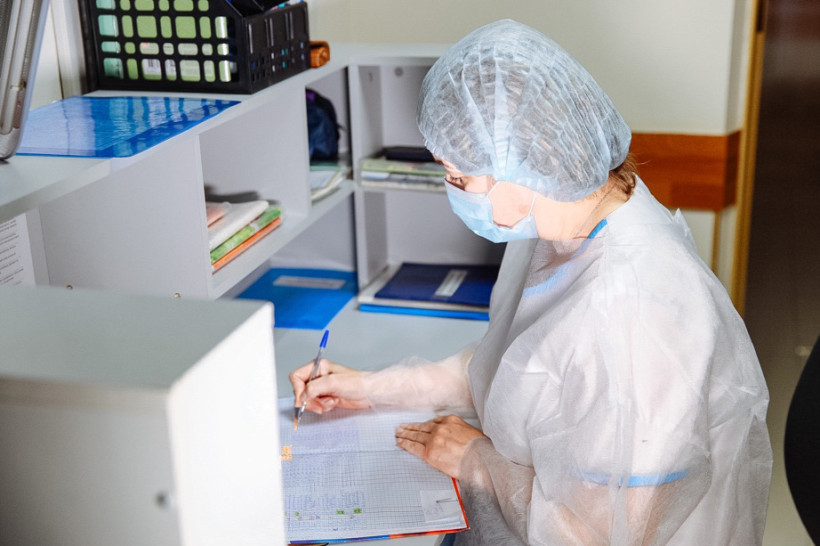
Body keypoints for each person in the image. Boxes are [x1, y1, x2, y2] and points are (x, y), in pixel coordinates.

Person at [290, 19, 772, 545]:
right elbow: (512, 371)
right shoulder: (560, 219)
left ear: (522, 163)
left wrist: (475, 460)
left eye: (459, 177)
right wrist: (368, 388)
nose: (453, 190)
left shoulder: (635, 310)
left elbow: (608, 535)